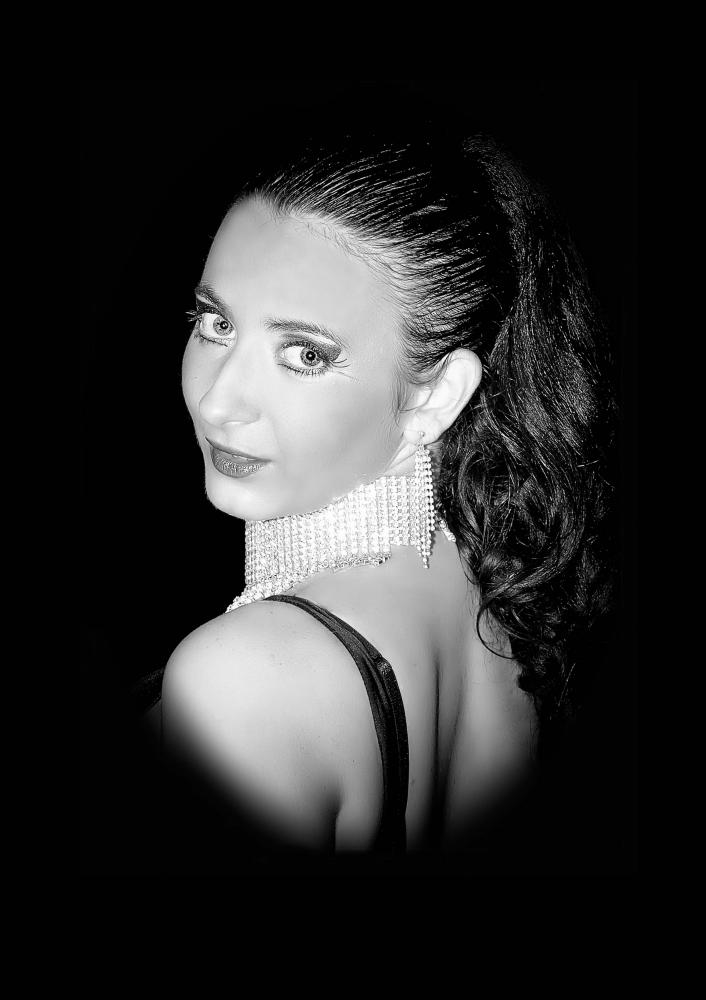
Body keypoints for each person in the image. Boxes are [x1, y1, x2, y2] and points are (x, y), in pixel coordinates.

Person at [144, 129, 615, 860]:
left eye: (305, 354)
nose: (218, 402)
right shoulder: (496, 586)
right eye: (215, 323)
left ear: (435, 395)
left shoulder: (243, 677)